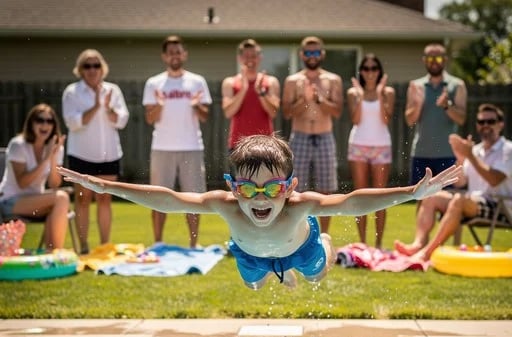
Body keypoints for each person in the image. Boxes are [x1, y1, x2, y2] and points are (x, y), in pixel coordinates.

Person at [59, 134, 461, 289]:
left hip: (301, 248)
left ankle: (317, 251)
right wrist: (104, 186)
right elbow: (167, 197)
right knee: (253, 283)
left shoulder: (301, 206)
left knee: (317, 274)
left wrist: (412, 191)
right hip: (251, 254)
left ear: (290, 188)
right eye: (249, 188)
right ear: (234, 188)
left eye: (272, 188)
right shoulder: (227, 207)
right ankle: (274, 275)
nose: (260, 198)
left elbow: (354, 200)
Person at [395, 103, 512, 261]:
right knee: (430, 196)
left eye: (490, 122)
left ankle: (426, 254)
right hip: (472, 202)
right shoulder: (476, 150)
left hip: (500, 206)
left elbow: (495, 180)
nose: (485, 126)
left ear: (500, 124)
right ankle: (418, 244)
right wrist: (461, 158)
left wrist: (470, 156)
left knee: (458, 200)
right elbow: (459, 183)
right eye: (481, 122)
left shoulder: (507, 149)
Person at [143, 35, 212, 248]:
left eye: (178, 51)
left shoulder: (197, 81)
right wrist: (160, 105)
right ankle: (158, 242)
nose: (175, 55)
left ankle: (193, 244)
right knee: (158, 198)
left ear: (185, 54)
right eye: (171, 52)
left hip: (191, 147)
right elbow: (149, 118)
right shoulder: (154, 83)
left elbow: (205, 116)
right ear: (165, 56)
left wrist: (195, 105)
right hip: (162, 148)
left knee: (193, 198)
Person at [62, 48, 129, 255]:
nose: (92, 70)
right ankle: (83, 247)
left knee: (105, 199)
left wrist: (107, 108)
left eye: (96, 65)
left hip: (108, 154)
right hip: (81, 154)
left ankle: (104, 246)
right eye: (87, 66)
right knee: (82, 199)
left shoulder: (113, 90)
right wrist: (96, 105)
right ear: (80, 70)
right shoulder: (72, 92)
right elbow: (73, 123)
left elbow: (122, 120)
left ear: (102, 68)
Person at [282, 36, 343, 234]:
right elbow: (287, 113)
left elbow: (337, 112)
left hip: (324, 136)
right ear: (302, 55)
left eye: (316, 52)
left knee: (326, 190)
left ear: (322, 54)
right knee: (296, 190)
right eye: (308, 53)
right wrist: (304, 100)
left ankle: (324, 236)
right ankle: (299, 234)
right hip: (300, 136)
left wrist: (319, 99)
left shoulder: (332, 80)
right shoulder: (293, 81)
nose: (312, 56)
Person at [0, 104, 68, 249]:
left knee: (60, 200)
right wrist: (46, 158)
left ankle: (50, 253)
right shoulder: (18, 145)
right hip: (9, 202)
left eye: (49, 121)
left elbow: (55, 184)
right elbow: (22, 183)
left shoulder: (56, 148)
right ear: (31, 123)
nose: (45, 124)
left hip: (36, 202)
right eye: (40, 120)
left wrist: (53, 158)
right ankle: (56, 252)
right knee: (61, 198)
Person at [347, 54, 395, 248]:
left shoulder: (388, 92)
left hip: (381, 146)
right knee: (361, 196)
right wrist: (360, 95)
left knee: (380, 197)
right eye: (366, 69)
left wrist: (380, 93)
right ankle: (363, 244)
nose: (370, 72)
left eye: (374, 68)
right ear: (361, 72)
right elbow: (356, 120)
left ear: (379, 70)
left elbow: (385, 119)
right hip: (358, 145)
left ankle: (378, 244)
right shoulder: (353, 92)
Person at [405, 42, 467, 186]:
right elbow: (409, 120)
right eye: (430, 58)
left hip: (448, 154)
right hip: (421, 153)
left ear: (445, 60)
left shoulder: (457, 85)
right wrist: (419, 104)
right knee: (421, 200)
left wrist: (447, 106)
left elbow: (462, 119)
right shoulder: (416, 86)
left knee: (447, 201)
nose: (434, 62)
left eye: (438, 58)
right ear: (424, 60)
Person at [222, 38, 280, 152]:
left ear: (260, 58)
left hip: (266, 145)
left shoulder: (271, 82)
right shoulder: (229, 82)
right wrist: (244, 88)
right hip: (238, 145)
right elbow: (228, 112)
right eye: (246, 56)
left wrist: (261, 93)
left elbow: (273, 113)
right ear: (239, 58)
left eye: (253, 56)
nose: (250, 60)